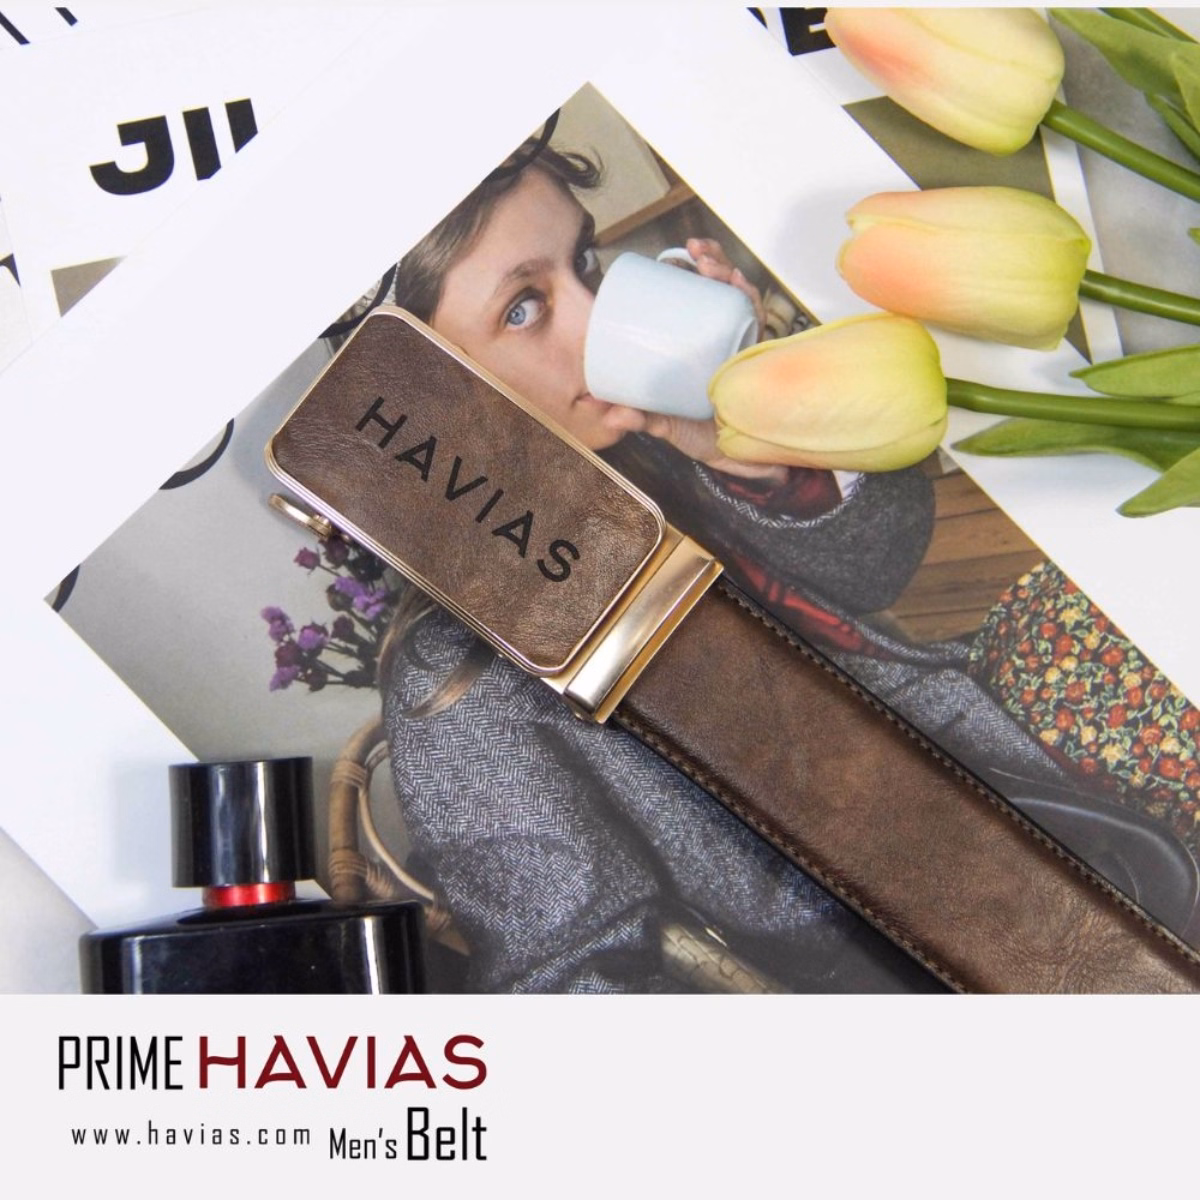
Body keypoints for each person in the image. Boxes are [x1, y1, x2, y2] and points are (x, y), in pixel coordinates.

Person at [367, 127, 1198, 991]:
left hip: (986, 744)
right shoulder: (455, 679)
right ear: (432, 397)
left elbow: (878, 570)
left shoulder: (650, 453)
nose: (591, 318)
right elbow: (570, 979)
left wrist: (763, 447)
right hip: (937, 911)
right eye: (523, 308)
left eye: (584, 263)